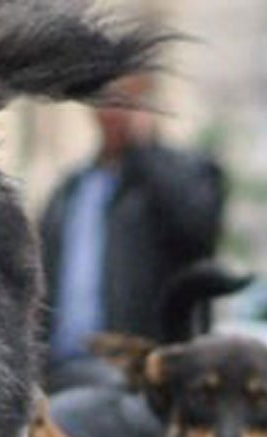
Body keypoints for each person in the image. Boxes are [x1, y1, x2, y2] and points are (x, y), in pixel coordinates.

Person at [41, 74, 227, 390]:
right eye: (104, 101)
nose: (112, 112)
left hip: (143, 374)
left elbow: (198, 232)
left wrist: (144, 147)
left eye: (124, 101)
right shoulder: (72, 189)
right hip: (64, 371)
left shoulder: (187, 173)